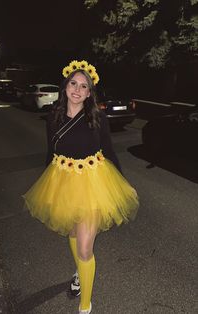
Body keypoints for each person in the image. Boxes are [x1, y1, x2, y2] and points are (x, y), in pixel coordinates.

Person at [23, 60, 139, 314]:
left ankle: (85, 306)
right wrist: (47, 185)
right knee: (73, 235)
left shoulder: (97, 117)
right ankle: (79, 273)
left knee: (86, 247)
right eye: (73, 84)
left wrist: (122, 183)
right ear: (65, 87)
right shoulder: (53, 116)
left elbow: (108, 151)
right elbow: (50, 152)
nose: (77, 89)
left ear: (89, 92)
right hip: (63, 179)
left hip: (93, 181)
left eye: (83, 86)